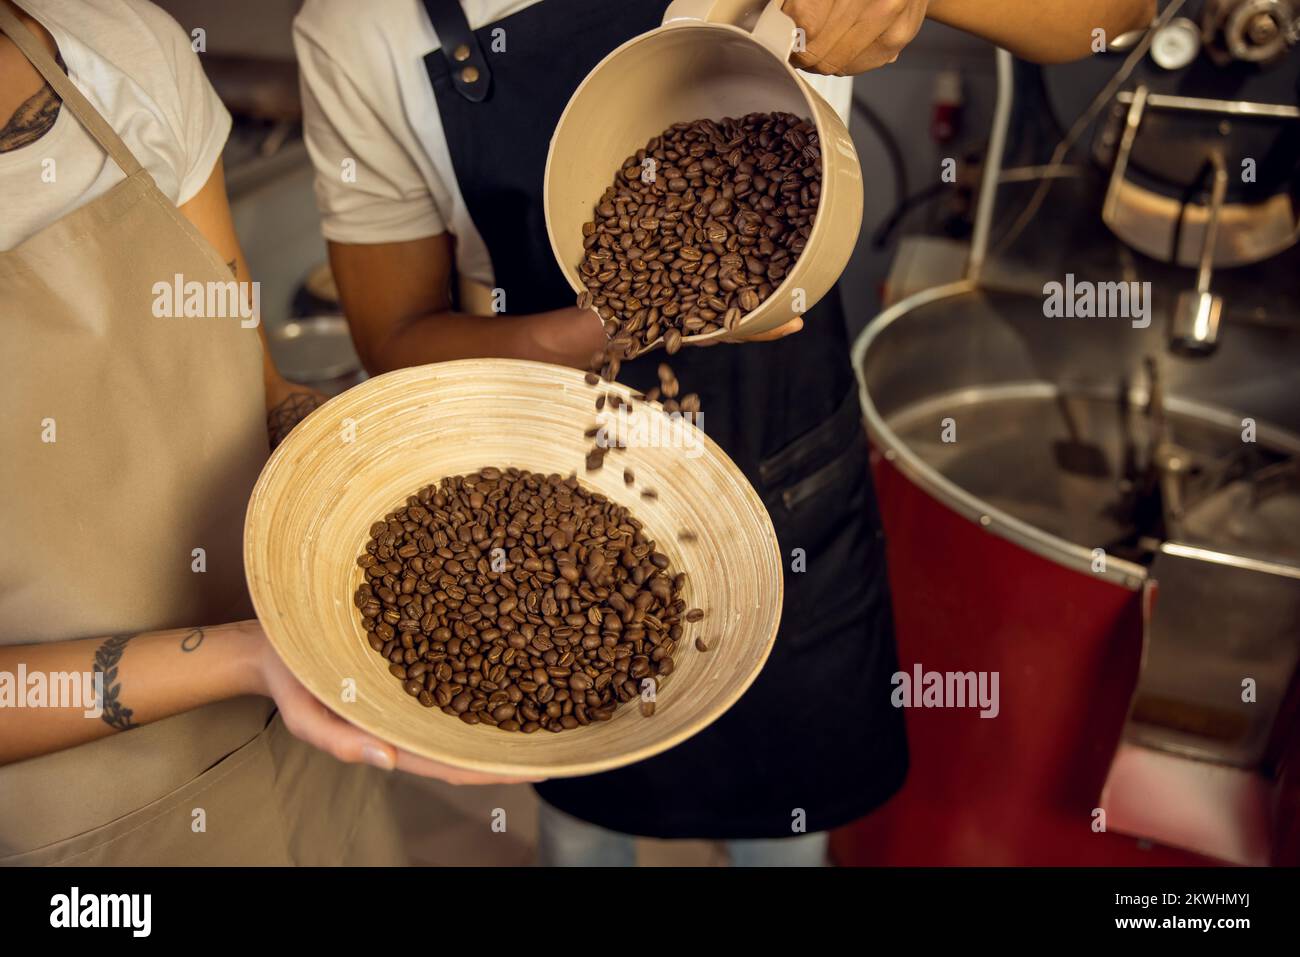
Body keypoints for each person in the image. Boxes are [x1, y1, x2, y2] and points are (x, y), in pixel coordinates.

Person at [294, 0, 1157, 865]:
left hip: (796, 485)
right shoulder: (354, 26)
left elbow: (1118, 14)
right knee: (587, 822)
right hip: (560, 496)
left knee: (787, 836)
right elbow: (396, 339)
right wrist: (604, 326)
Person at [0, 0, 526, 868]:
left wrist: (358, 452)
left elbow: (256, 382)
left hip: (306, 719)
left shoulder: (126, 48)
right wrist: (244, 656)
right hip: (83, 829)